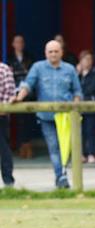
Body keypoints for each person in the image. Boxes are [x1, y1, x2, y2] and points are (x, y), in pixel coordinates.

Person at [11, 40, 82, 189]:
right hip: (46, 117)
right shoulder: (38, 67)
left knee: (66, 148)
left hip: (66, 116)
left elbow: (77, 91)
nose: (53, 54)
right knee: (53, 147)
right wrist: (18, 98)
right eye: (50, 52)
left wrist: (76, 106)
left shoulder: (69, 69)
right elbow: (27, 84)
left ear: (61, 52)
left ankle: (62, 174)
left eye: (56, 51)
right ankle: (60, 177)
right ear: (45, 53)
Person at [7, 34, 36, 159]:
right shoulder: (9, 59)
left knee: (28, 120)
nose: (19, 44)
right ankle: (21, 147)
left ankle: (28, 146)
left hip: (28, 94)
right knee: (19, 121)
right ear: (13, 44)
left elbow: (32, 76)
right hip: (14, 93)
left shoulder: (29, 57)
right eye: (17, 42)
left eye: (21, 42)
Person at [76, 50, 95, 164]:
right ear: (80, 61)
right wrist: (77, 73)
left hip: (90, 106)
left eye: (90, 59)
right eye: (85, 59)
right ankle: (80, 154)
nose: (88, 62)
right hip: (78, 107)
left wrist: (80, 94)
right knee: (79, 131)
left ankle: (91, 153)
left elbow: (92, 88)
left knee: (90, 131)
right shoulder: (76, 74)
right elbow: (72, 87)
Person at [0, 61, 16, 187]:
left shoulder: (4, 69)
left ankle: (8, 181)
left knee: (4, 149)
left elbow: (9, 93)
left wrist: (3, 109)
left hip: (1, 115)